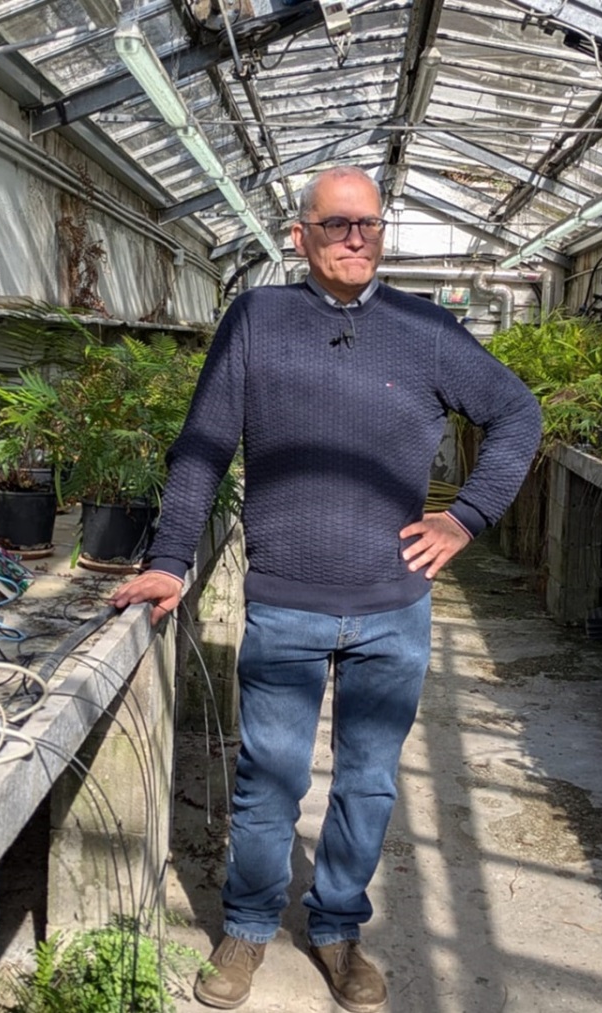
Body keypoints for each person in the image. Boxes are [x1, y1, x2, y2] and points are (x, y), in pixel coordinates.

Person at [110, 165, 542, 1012]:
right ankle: (247, 925)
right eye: (338, 223)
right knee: (269, 779)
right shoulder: (257, 320)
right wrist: (169, 557)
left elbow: (516, 413)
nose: (356, 238)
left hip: (393, 606)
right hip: (287, 601)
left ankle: (339, 928)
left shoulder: (425, 330)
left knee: (368, 781)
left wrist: (466, 518)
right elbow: (203, 446)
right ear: (299, 234)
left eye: (370, 224)